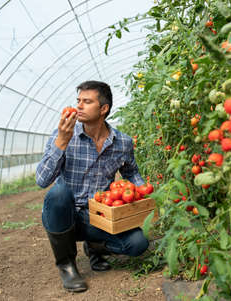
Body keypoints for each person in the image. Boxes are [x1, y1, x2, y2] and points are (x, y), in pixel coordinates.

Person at [35, 80, 148, 293]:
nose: (78, 106)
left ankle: (95, 246)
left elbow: (131, 172)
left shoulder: (122, 143)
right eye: (78, 101)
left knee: (138, 243)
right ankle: (67, 265)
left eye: (87, 102)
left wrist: (144, 196)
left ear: (103, 109)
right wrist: (61, 141)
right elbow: (42, 180)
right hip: (63, 214)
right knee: (59, 193)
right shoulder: (63, 135)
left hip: (98, 215)